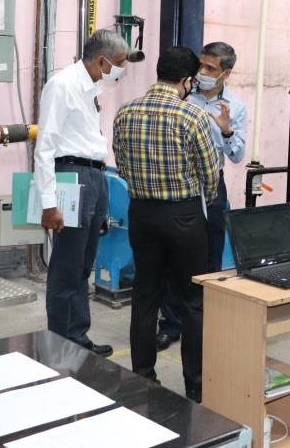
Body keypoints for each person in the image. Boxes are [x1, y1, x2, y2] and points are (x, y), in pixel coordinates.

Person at [112, 46, 221, 403]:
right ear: (187, 81)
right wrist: (200, 199)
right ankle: (196, 387)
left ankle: (143, 378)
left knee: (145, 296)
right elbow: (210, 174)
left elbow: (122, 166)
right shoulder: (192, 115)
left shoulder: (125, 112)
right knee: (192, 302)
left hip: (142, 214)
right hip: (184, 217)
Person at [34, 28, 129, 356]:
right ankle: (60, 342)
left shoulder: (91, 87)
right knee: (67, 265)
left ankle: (78, 336)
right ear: (102, 60)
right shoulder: (62, 85)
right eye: (119, 62)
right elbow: (45, 146)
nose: (121, 69)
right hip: (72, 176)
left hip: (94, 175)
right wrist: (49, 203)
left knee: (84, 261)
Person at [157, 42, 247, 351]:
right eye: (201, 66)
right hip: (180, 183)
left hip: (212, 184)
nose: (203, 73)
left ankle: (203, 324)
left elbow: (237, 155)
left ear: (226, 73)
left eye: (211, 68)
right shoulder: (183, 96)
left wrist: (226, 130)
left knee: (210, 253)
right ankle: (171, 324)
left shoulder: (235, 106)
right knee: (174, 254)